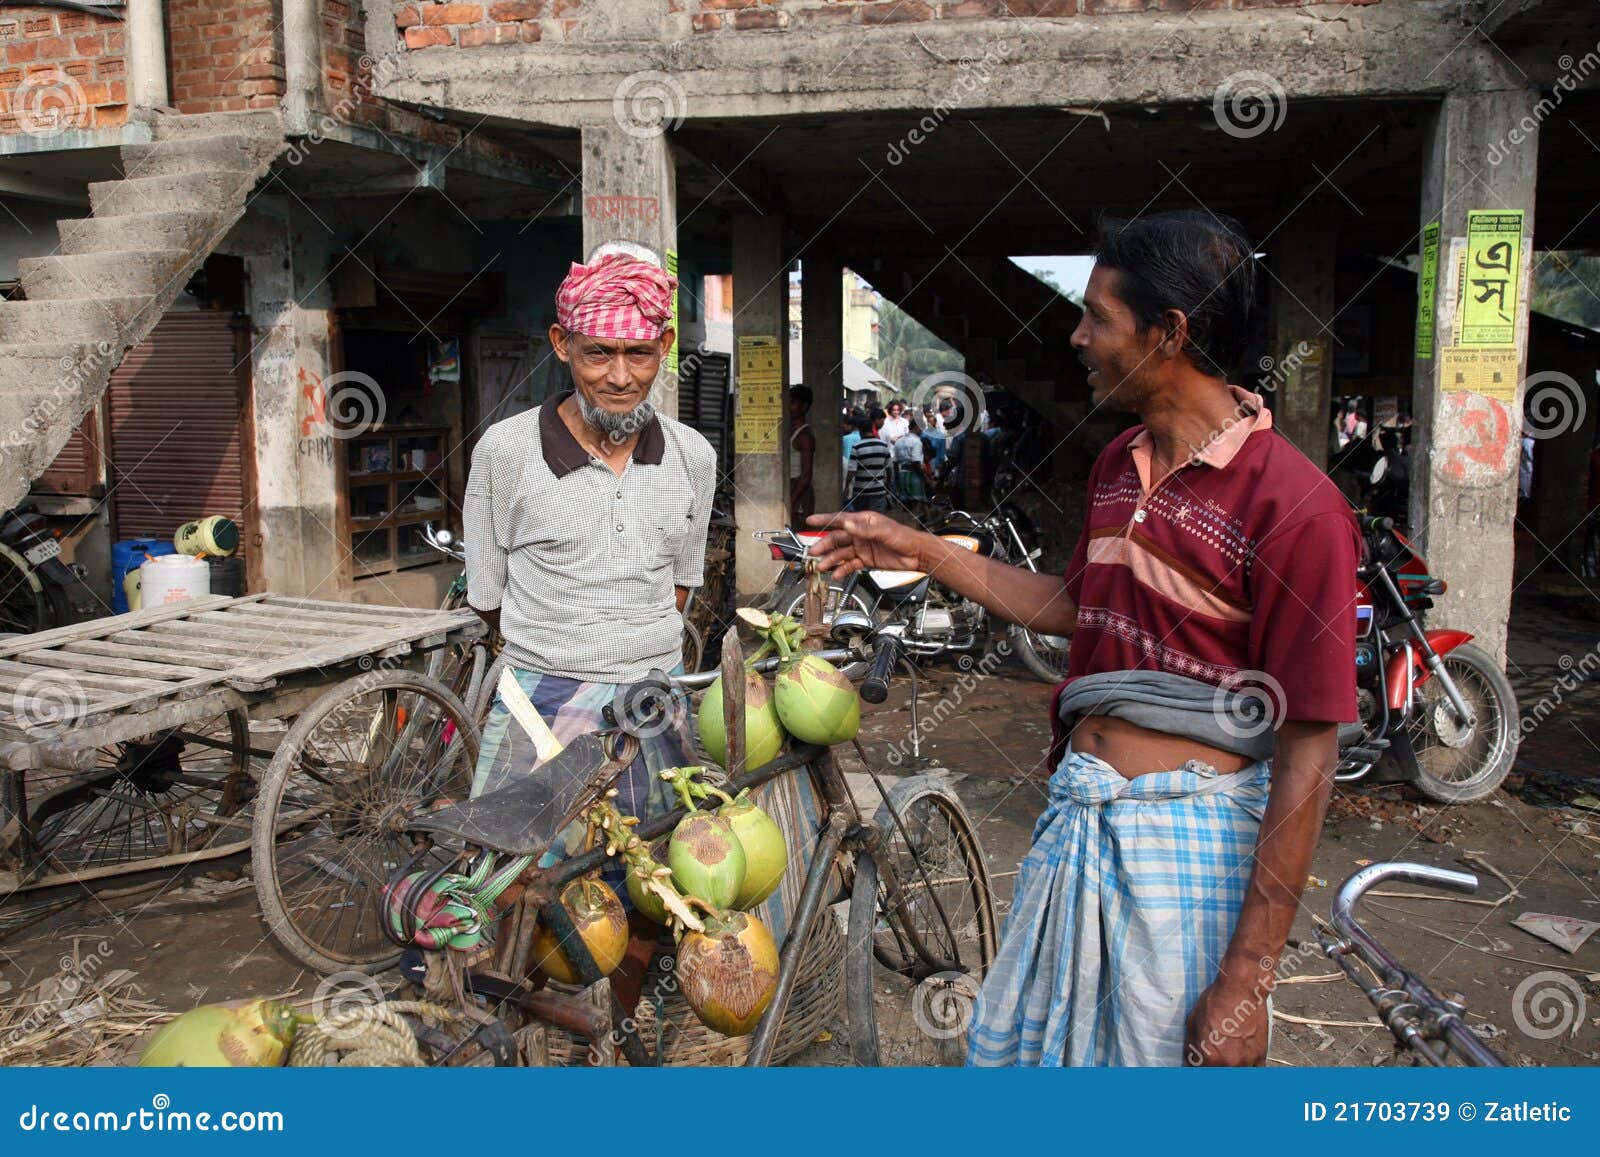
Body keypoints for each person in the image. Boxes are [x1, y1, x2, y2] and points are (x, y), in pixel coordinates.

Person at [807, 211, 1358, 1067]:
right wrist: (918, 550)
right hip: (1077, 820)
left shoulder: (1294, 504)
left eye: (1098, 316)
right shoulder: (1115, 467)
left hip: (1190, 852)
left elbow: (1309, 752)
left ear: (1169, 333)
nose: (1077, 335)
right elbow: (1074, 603)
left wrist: (1248, 975)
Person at [462, 249, 716, 1010]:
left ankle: (616, 1040)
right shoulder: (505, 453)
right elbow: (488, 595)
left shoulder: (694, 457)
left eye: (639, 352)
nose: (619, 375)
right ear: (560, 344)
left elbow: (679, 584)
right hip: (540, 695)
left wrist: (629, 659)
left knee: (651, 888)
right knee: (517, 887)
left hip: (652, 698)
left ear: (664, 349)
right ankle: (529, 1032)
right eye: (598, 352)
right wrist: (569, 656)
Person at [844, 412, 892, 512]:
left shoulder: (857, 447)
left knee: (861, 521)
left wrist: (847, 486)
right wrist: (888, 486)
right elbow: (889, 467)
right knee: (876, 521)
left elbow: (852, 471)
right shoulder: (883, 445)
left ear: (860, 430)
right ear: (871, 428)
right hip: (879, 490)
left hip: (861, 491)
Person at [788, 385, 816, 521]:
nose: (788, 407)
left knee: (798, 537)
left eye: (792, 403)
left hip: (799, 491)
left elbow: (806, 475)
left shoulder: (804, 436)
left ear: (804, 407)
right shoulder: (790, 431)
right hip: (792, 489)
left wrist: (791, 501)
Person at [893, 418, 931, 506]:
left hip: (902, 475)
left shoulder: (899, 441)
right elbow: (916, 462)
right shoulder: (917, 442)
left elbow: (895, 462)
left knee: (907, 505)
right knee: (917, 503)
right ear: (917, 427)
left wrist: (897, 479)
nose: (922, 431)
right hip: (914, 475)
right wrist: (925, 478)